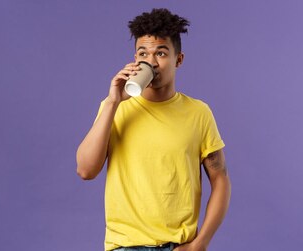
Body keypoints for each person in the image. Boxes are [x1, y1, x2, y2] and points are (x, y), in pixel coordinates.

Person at [75, 8, 231, 251]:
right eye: (143, 53)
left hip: (179, 245)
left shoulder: (199, 113)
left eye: (161, 52)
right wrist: (113, 102)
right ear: (135, 59)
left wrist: (201, 243)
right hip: (125, 246)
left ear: (178, 60)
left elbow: (220, 179)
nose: (151, 61)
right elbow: (85, 170)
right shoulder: (113, 108)